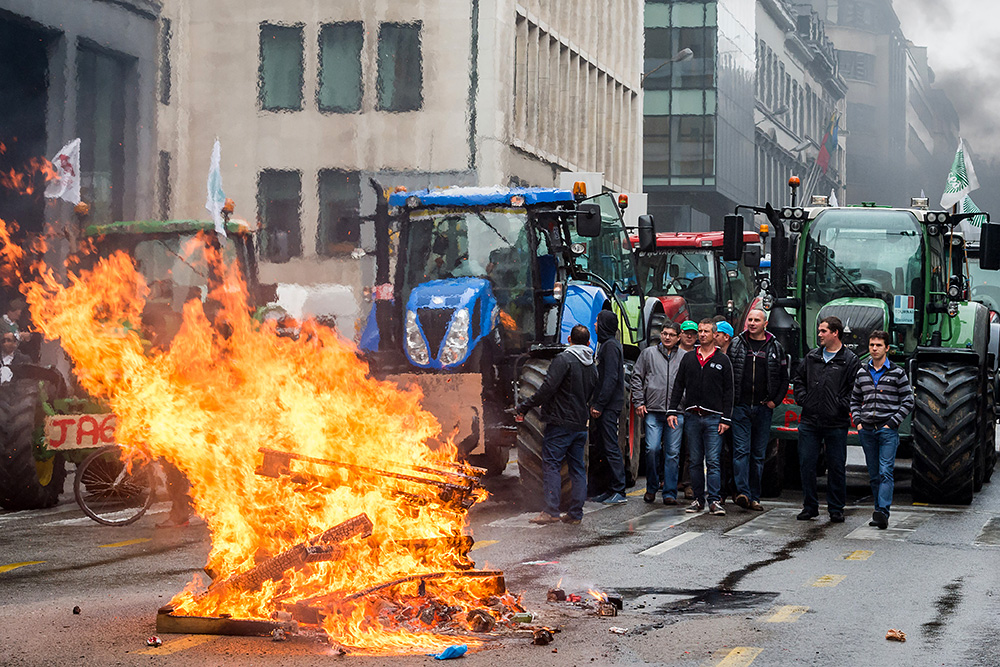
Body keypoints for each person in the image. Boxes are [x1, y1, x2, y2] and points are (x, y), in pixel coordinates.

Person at [515, 324, 598, 525]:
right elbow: (594, 389)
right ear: (588, 342)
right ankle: (576, 514)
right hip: (580, 424)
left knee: (551, 465)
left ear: (569, 340)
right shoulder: (591, 364)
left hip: (560, 423)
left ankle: (551, 511)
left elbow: (548, 388)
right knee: (577, 468)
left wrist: (525, 406)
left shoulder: (564, 359)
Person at [793, 316, 861, 522]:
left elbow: (855, 390)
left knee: (837, 466)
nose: (819, 335)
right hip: (810, 421)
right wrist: (804, 400)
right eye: (819, 331)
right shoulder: (812, 357)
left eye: (823, 331)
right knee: (806, 464)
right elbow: (798, 380)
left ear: (835, 333)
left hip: (835, 423)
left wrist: (840, 405)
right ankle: (810, 506)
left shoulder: (850, 360)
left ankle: (836, 508)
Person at [668, 319, 734, 516]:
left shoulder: (723, 361)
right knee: (695, 460)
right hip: (692, 416)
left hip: (714, 418)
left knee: (713, 460)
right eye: (700, 331)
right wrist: (672, 410)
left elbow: (729, 391)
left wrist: (726, 418)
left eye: (706, 331)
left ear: (715, 335)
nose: (702, 334)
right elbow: (678, 385)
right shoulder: (689, 358)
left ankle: (714, 500)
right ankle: (698, 499)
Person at [850, 331, 913, 530]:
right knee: (874, 474)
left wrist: (893, 422)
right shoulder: (862, 373)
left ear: (887, 348)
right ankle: (878, 511)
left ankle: (883, 512)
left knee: (886, 471)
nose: (874, 348)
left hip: (887, 431)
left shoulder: (897, 373)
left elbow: (909, 400)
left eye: (878, 345)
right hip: (867, 430)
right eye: (871, 345)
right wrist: (858, 422)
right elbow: (854, 400)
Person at [728, 309, 789, 512]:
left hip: (763, 408)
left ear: (766, 323)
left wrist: (775, 401)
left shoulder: (775, 347)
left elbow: (783, 378)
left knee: (758, 454)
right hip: (741, 407)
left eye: (757, 320)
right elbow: (728, 375)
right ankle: (743, 492)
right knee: (741, 451)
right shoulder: (737, 344)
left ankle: (754, 496)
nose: (752, 323)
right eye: (750, 320)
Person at [631, 322, 688, 505]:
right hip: (653, 411)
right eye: (664, 333)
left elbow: (691, 382)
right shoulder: (648, 354)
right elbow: (637, 377)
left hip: (676, 412)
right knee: (652, 449)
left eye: (671, 334)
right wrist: (639, 402)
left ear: (678, 337)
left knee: (672, 453)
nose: (667, 337)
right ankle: (652, 487)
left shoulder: (685, 357)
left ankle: (669, 492)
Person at [590, 311, 627, 505]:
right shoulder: (606, 345)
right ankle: (607, 488)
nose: (595, 325)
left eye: (597, 321)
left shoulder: (611, 347)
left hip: (609, 406)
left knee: (611, 446)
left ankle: (619, 489)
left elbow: (611, 378)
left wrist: (600, 404)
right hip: (607, 404)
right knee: (603, 446)